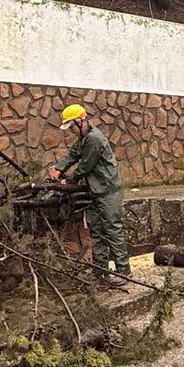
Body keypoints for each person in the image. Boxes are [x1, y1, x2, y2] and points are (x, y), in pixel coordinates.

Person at [51, 104, 130, 287]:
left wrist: (69, 180)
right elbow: (73, 154)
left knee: (112, 229)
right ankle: (100, 271)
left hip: (108, 191)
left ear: (80, 121)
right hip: (96, 191)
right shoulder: (83, 137)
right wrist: (59, 168)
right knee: (97, 231)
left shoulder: (94, 139)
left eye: (71, 126)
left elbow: (86, 165)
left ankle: (124, 272)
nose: (70, 131)